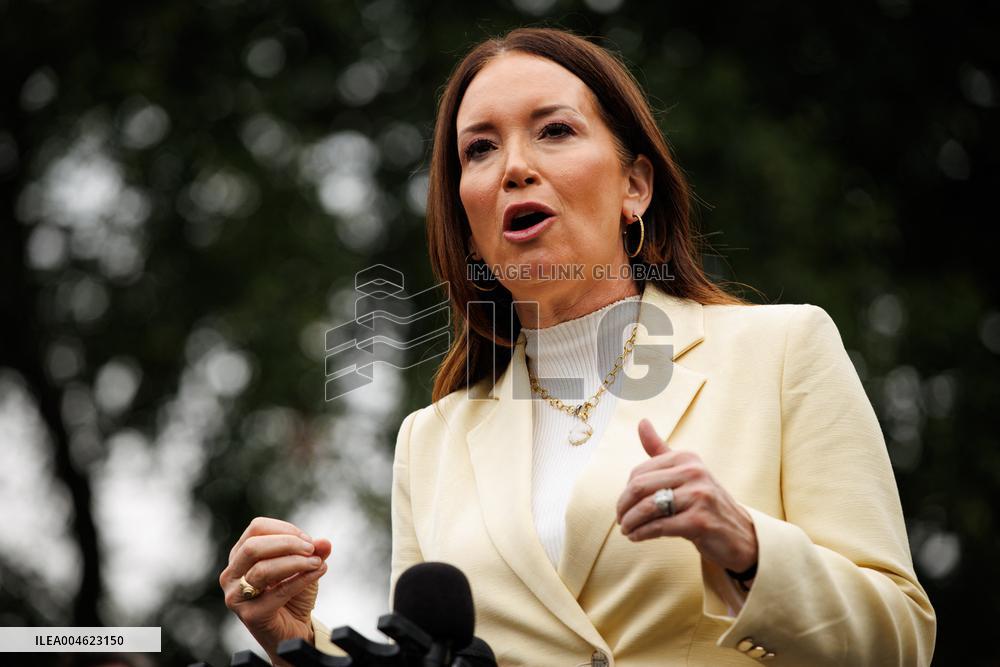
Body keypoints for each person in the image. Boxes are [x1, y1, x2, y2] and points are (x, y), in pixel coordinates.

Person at [220, 28, 936, 666]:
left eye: (554, 130)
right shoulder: (429, 442)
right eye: (480, 148)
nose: (514, 167)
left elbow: (902, 640)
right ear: (467, 222)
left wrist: (749, 550)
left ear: (635, 186)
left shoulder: (782, 351)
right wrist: (298, 643)